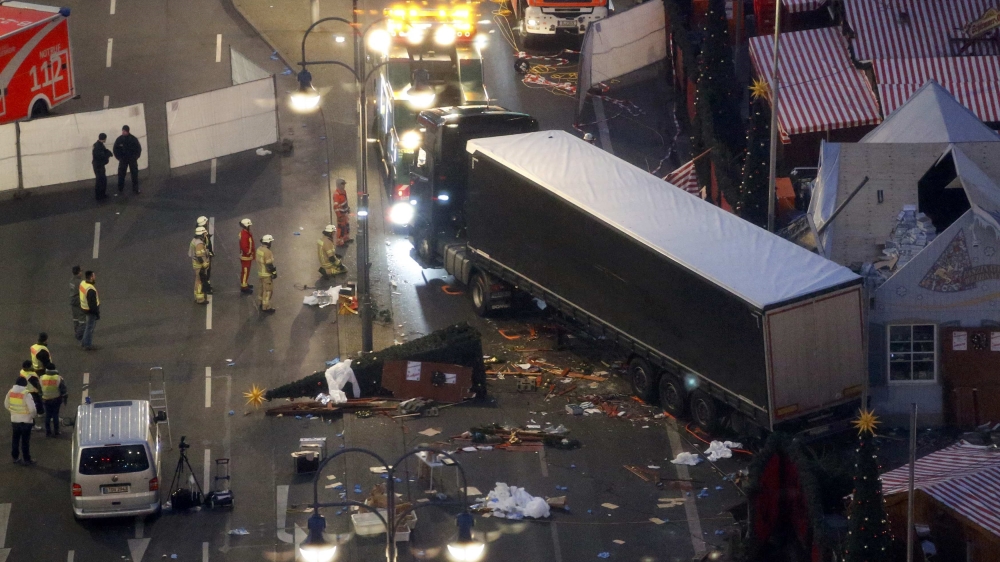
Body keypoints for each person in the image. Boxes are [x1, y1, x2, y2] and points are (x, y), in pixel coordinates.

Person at [6, 374, 37, 465]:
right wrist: (32, 416)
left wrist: (14, 412)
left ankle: (15, 457)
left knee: (15, 439)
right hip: (26, 421)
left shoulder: (10, 392)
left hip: (15, 420)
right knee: (25, 442)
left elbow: (6, 404)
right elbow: (32, 409)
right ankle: (27, 459)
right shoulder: (26, 394)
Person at [113, 125, 142, 194]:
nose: (123, 132)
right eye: (122, 131)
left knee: (134, 174)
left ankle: (135, 189)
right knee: (121, 174)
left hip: (132, 159)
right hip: (123, 159)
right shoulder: (119, 139)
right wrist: (119, 158)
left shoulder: (133, 139)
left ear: (127, 131)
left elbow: (138, 149)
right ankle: (120, 188)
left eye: (124, 131)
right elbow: (115, 149)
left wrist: (135, 157)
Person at [39, 367, 67, 437]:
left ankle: (48, 432)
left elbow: (39, 390)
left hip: (45, 399)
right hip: (56, 399)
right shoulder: (58, 378)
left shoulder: (41, 378)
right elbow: (63, 389)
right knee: (55, 415)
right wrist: (65, 399)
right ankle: (56, 431)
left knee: (48, 415)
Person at [79, 271, 100, 350]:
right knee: (89, 328)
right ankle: (87, 345)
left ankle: (84, 342)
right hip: (90, 311)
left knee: (87, 327)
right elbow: (92, 305)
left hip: (84, 308)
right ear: (91, 277)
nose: (95, 277)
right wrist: (97, 314)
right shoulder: (90, 290)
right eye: (94, 276)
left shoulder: (83, 283)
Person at [256, 234, 277, 313]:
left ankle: (261, 302)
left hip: (260, 273)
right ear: (268, 243)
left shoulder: (259, 249)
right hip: (266, 274)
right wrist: (274, 272)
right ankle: (266, 307)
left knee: (261, 289)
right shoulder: (267, 252)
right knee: (268, 291)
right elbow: (269, 264)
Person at [191, 227, 211, 305]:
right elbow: (199, 256)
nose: (205, 234)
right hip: (199, 265)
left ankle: (197, 296)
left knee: (197, 280)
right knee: (199, 281)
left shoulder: (194, 240)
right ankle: (200, 299)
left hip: (196, 264)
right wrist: (204, 264)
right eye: (204, 233)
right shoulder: (199, 243)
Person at [194, 217, 213, 295]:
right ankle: (205, 288)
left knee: (207, 272)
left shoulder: (201, 231)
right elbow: (202, 249)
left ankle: (207, 286)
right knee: (203, 274)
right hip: (203, 258)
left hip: (206, 255)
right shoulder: (201, 234)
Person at [19, 360, 42, 426]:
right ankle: (39, 413)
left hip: (27, 389)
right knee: (36, 403)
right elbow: (36, 384)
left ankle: (40, 412)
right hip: (33, 391)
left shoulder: (22, 371)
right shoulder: (30, 375)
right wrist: (41, 391)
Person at [92, 133, 113, 200]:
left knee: (100, 180)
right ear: (104, 139)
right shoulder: (99, 146)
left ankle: (100, 195)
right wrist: (108, 154)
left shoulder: (97, 145)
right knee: (101, 180)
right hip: (99, 165)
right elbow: (101, 156)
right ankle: (100, 195)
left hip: (97, 165)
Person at [333, 179, 353, 246]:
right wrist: (339, 216)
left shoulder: (344, 192)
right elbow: (335, 207)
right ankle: (339, 243)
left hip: (345, 213)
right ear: (339, 185)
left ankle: (345, 239)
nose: (344, 186)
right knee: (341, 229)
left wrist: (348, 209)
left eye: (344, 184)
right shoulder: (336, 194)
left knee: (346, 227)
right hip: (341, 215)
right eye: (343, 184)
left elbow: (345, 202)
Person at [238, 218, 255, 293]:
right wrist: (249, 252)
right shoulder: (245, 235)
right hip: (246, 257)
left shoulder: (245, 233)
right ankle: (244, 287)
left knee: (246, 271)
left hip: (247, 256)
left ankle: (245, 283)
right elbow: (244, 246)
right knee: (245, 271)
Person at [70, 266, 85, 342]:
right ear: (78, 272)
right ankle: (80, 336)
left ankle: (76, 333)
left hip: (73, 301)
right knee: (82, 320)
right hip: (78, 301)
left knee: (75, 319)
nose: (81, 273)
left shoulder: (72, 280)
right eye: (80, 271)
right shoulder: (80, 282)